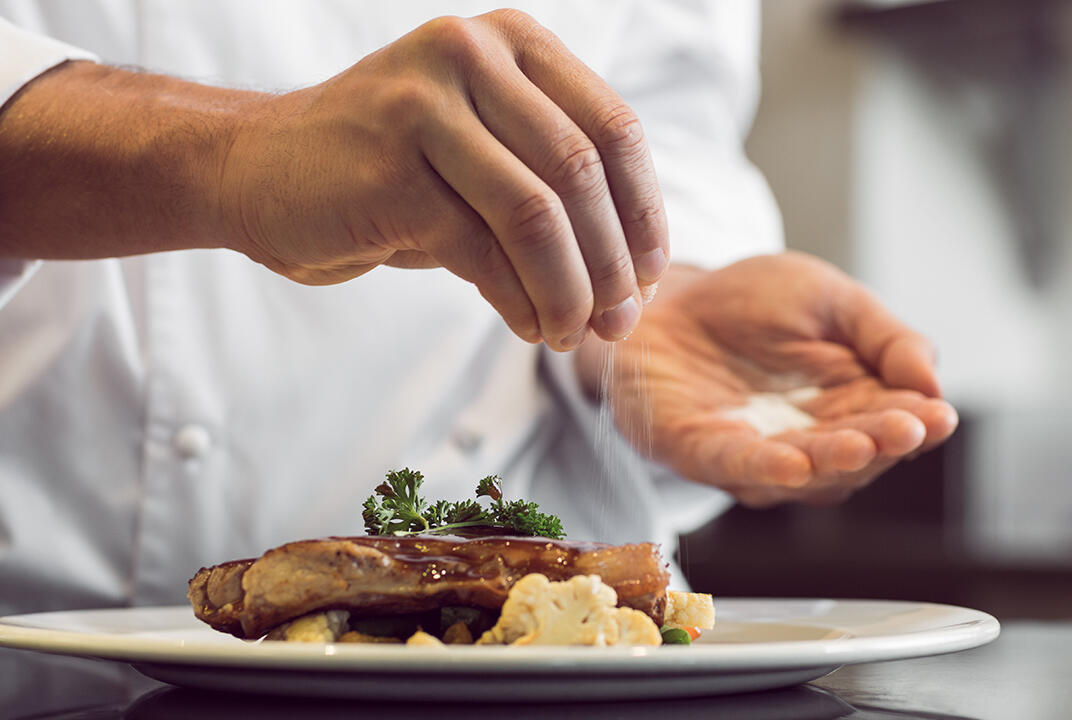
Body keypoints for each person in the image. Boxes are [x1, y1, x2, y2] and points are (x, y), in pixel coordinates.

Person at [0, 1, 957, 616]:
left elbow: (664, 119)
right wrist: (234, 153)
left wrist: (648, 291)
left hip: (541, 658)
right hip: (42, 633)